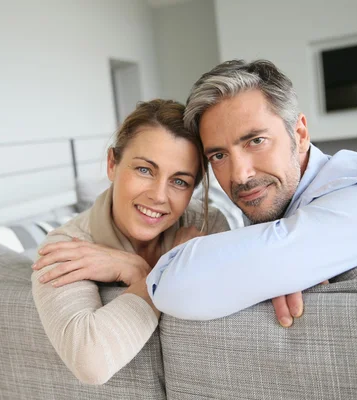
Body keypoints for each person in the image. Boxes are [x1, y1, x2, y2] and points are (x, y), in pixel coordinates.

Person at [146, 59, 357, 324]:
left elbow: (173, 286)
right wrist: (276, 272)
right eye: (219, 156)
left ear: (300, 134)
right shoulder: (289, 205)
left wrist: (145, 269)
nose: (240, 175)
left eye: (256, 141)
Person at [30, 99, 232, 385]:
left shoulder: (205, 225)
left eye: (179, 181)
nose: (159, 196)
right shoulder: (67, 247)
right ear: (113, 164)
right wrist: (156, 272)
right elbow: (91, 363)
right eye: (145, 170)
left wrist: (149, 271)